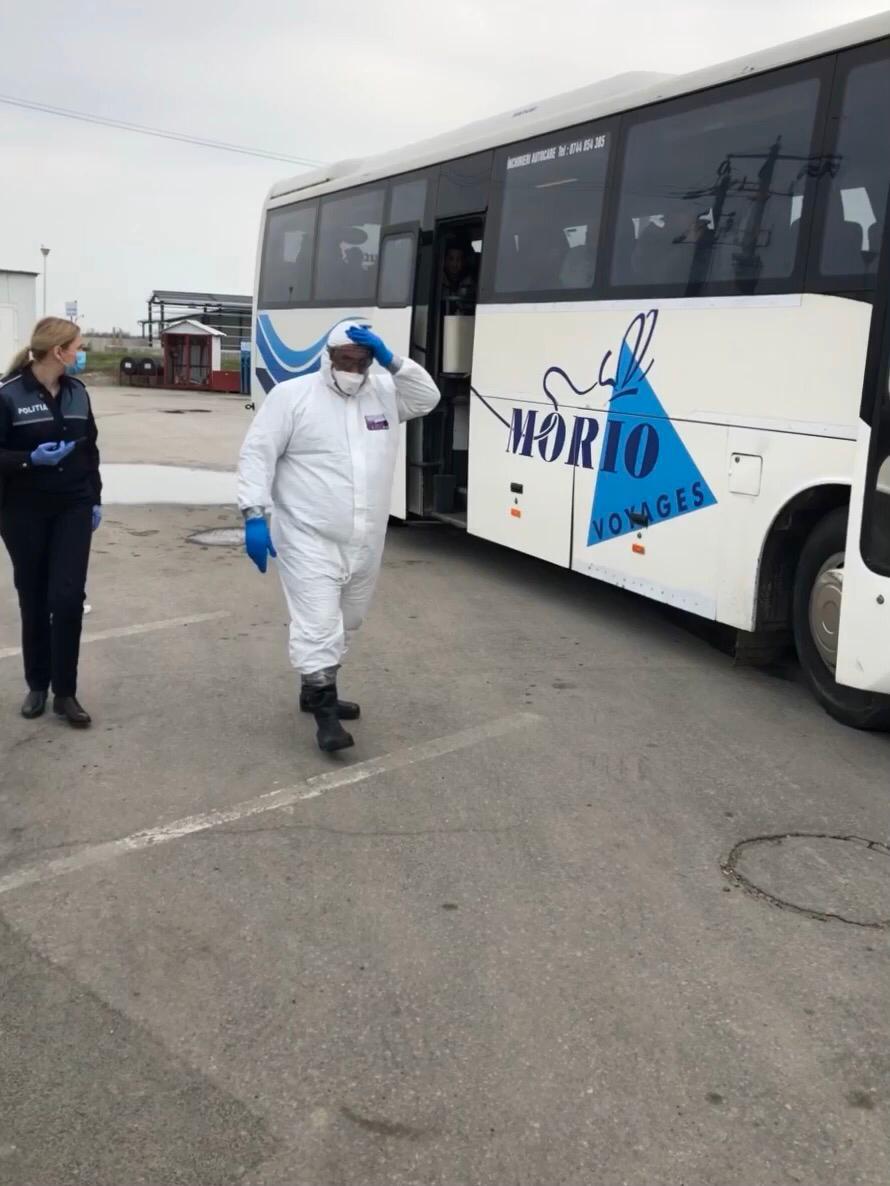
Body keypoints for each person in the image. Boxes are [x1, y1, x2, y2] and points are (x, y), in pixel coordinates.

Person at [237, 321, 439, 752]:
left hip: (366, 538)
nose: (353, 369)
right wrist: (254, 514)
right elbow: (257, 454)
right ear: (328, 358)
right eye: (346, 360)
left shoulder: (383, 393)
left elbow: (427, 397)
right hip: (307, 536)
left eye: (363, 361)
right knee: (318, 624)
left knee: (348, 619)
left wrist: (392, 360)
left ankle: (315, 685)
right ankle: (325, 717)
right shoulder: (292, 397)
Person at [0, 318, 101, 727]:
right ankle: (38, 685)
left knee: (68, 598)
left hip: (72, 506)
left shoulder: (78, 393)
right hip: (22, 510)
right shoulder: (8, 394)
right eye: (78, 346)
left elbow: (90, 449)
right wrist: (29, 459)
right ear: (59, 351)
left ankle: (65, 693)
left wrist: (94, 498)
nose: (81, 353)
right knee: (35, 597)